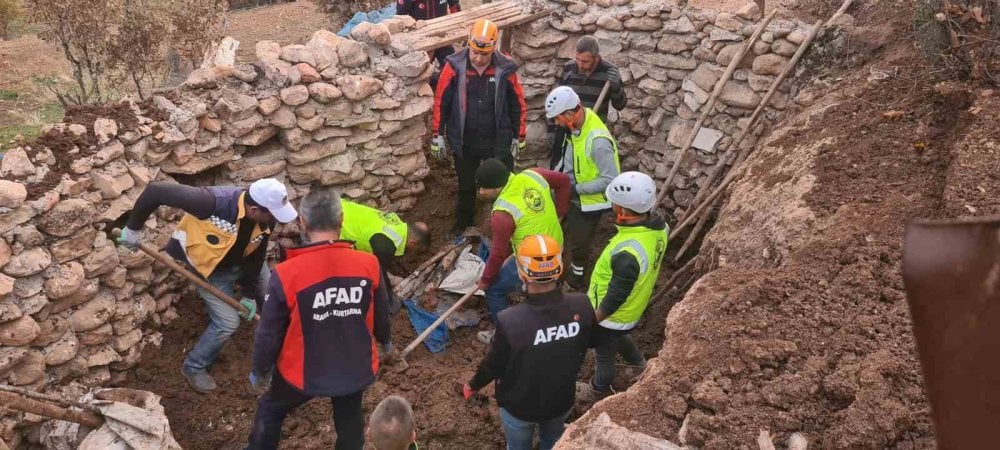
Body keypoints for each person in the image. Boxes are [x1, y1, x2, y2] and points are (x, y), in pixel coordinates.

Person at [116, 178, 298, 393]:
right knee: (228, 323)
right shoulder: (211, 202)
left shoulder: (267, 217)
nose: (275, 220)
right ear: (254, 208)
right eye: (271, 214)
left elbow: (257, 254)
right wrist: (133, 228)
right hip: (211, 270)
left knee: (272, 297)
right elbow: (156, 190)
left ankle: (281, 345)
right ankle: (194, 366)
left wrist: (249, 294)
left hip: (244, 262)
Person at [246, 188, 391, 450]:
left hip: (303, 370)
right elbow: (382, 312)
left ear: (302, 222)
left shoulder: (286, 274)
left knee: (270, 409)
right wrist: (386, 342)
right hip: (353, 365)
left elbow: (269, 332)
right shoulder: (369, 264)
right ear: (342, 220)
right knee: (349, 418)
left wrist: (260, 369)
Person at [461, 235, 595, 450]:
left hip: (519, 407)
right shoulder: (582, 304)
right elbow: (589, 342)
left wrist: (473, 385)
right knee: (553, 442)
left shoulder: (510, 320)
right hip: (560, 399)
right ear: (559, 269)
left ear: (523, 274)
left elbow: (494, 365)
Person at [432, 18, 528, 238]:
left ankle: (507, 223)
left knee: (503, 182)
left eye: (484, 54)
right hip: (465, 139)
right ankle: (463, 224)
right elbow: (441, 101)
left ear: (493, 49)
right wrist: (437, 134)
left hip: (498, 137)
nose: (478, 58)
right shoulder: (454, 65)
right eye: (474, 52)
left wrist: (518, 135)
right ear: (468, 44)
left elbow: (518, 103)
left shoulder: (505, 67)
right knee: (466, 185)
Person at [578, 172, 668, 402]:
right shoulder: (659, 229)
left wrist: (595, 317)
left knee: (604, 355)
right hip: (631, 309)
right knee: (618, 337)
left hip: (612, 315)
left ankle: (598, 389)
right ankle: (639, 365)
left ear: (623, 211)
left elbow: (617, 294)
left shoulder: (628, 252)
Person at [473, 158, 570, 344]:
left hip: (533, 263)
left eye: (483, 188)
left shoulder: (502, 213)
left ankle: (505, 336)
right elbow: (564, 181)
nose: (480, 192)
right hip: (557, 248)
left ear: (495, 187)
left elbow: (498, 253)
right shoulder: (533, 174)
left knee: (494, 290)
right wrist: (561, 213)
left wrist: (485, 280)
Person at [545, 86, 621, 289]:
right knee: (562, 231)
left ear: (569, 114)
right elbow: (571, 160)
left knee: (579, 244)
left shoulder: (598, 141)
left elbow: (610, 180)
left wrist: (575, 189)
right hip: (572, 192)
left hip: (589, 203)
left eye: (557, 118)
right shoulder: (578, 126)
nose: (556, 123)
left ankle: (575, 279)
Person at [339, 199, 431, 319]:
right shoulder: (386, 246)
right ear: (412, 242)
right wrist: (390, 300)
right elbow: (378, 276)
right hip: (331, 220)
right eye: (417, 250)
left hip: (340, 206)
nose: (415, 253)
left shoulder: (397, 223)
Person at [549, 36, 627, 169]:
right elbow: (557, 101)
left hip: (591, 134)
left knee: (586, 170)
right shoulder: (569, 68)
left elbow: (620, 105)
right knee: (558, 170)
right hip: (566, 131)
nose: (580, 64)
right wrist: (552, 130)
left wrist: (616, 89)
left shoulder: (609, 72)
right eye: (578, 59)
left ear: (596, 58)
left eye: (585, 61)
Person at [395, 0, 461, 67]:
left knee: (453, 68)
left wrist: (458, 28)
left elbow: (454, 7)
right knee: (422, 71)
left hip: (443, 36)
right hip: (420, 40)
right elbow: (400, 20)